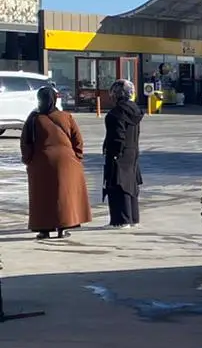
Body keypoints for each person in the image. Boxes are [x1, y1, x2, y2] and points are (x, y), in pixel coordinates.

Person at [20, 84, 92, 240]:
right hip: (67, 161)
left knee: (42, 196)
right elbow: (78, 140)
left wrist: (28, 160)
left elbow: (25, 142)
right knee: (64, 196)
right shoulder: (66, 116)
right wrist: (77, 157)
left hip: (41, 161)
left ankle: (44, 230)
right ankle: (63, 228)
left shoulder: (33, 119)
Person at [103, 78, 143, 228]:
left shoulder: (115, 114)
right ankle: (133, 217)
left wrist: (114, 153)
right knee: (130, 183)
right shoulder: (135, 110)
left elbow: (117, 136)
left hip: (119, 152)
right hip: (132, 150)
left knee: (118, 183)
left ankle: (121, 219)